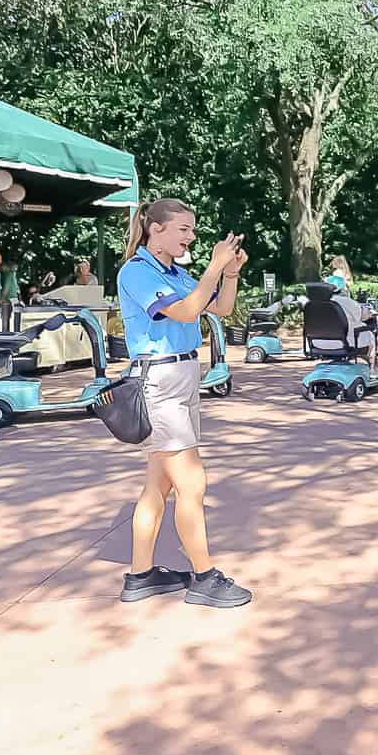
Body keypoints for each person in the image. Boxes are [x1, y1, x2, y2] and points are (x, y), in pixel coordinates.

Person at [115, 198, 251, 609]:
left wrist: (229, 274)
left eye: (192, 230)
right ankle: (205, 577)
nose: (191, 237)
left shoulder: (174, 272)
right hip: (161, 380)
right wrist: (213, 266)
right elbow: (188, 311)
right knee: (191, 482)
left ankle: (140, 575)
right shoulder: (137, 272)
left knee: (158, 484)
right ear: (155, 229)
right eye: (183, 229)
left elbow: (220, 308)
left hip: (183, 376)